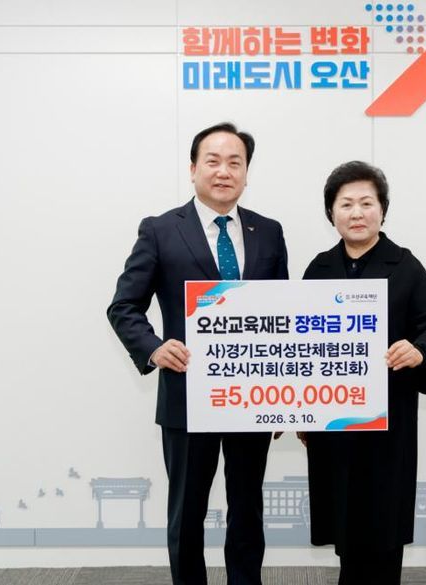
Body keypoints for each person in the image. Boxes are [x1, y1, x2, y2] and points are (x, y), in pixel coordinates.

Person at [107, 122, 288, 585]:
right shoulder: (160, 230)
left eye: (235, 163)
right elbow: (124, 306)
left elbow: (283, 315)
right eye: (213, 161)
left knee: (247, 509)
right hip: (187, 397)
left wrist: (286, 396)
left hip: (252, 398)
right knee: (187, 512)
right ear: (193, 169)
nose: (224, 171)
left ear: (246, 173)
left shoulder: (269, 232)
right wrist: (154, 348)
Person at [301, 161, 426, 585]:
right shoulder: (318, 269)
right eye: (346, 204)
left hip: (388, 422)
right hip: (334, 423)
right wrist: (298, 411)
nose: (357, 213)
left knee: (383, 528)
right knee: (345, 525)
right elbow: (300, 344)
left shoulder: (405, 266)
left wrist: (419, 351)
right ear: (331, 213)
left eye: (367, 203)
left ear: (383, 210)